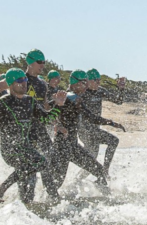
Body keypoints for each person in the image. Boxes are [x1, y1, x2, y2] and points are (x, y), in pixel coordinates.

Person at [0, 68, 56, 205]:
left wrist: (58, 105)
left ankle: (16, 203)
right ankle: (2, 188)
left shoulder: (30, 101)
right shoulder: (2, 103)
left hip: (26, 148)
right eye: (20, 80)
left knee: (27, 192)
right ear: (11, 84)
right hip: (10, 150)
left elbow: (46, 119)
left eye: (25, 80)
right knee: (39, 163)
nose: (24, 83)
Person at [42, 70, 125, 200]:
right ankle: (44, 204)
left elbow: (91, 117)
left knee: (99, 170)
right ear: (75, 83)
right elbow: (44, 113)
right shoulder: (68, 97)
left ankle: (109, 200)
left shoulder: (77, 99)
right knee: (56, 182)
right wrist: (57, 124)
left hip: (74, 146)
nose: (86, 86)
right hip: (61, 148)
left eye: (87, 82)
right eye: (84, 83)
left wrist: (112, 123)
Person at [79, 69, 125, 172]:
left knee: (92, 159)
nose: (98, 83)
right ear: (88, 81)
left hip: (95, 129)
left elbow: (118, 101)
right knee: (113, 141)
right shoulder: (82, 92)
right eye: (96, 81)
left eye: (99, 80)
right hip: (84, 130)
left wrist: (121, 89)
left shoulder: (100, 91)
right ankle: (105, 171)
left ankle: (77, 180)